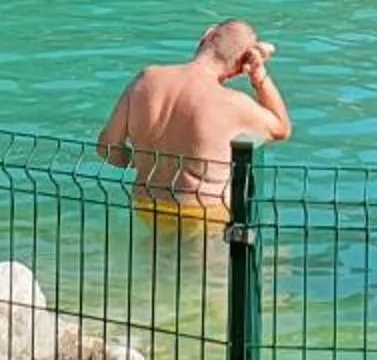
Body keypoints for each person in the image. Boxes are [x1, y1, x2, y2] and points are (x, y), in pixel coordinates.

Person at [95, 20, 291, 221]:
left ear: (207, 35)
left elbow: (106, 148)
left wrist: (144, 162)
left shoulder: (146, 79)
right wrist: (259, 76)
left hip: (146, 206)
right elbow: (281, 127)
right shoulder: (233, 104)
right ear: (240, 66)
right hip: (203, 214)